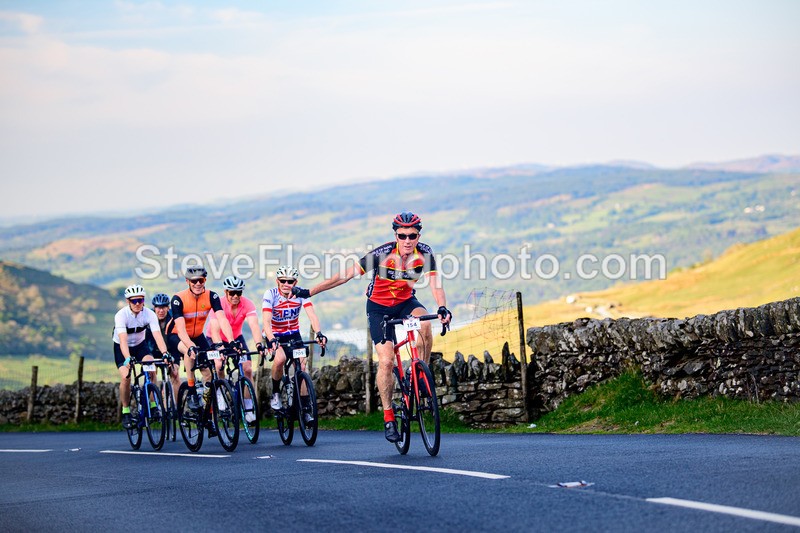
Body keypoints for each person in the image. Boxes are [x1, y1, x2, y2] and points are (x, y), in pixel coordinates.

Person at [293, 212, 451, 442]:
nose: (407, 240)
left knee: (426, 325)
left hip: (406, 302)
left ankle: (421, 376)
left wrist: (443, 307)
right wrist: (309, 292)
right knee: (386, 361)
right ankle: (388, 417)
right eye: (402, 235)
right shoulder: (382, 253)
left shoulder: (425, 254)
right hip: (379, 308)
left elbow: (436, 284)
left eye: (412, 235)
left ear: (419, 235)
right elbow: (344, 276)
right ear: (395, 235)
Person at [168, 265, 235, 418]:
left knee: (208, 373)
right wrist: (191, 346)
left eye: (201, 280)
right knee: (188, 351)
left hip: (198, 335)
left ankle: (207, 412)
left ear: (205, 280)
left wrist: (230, 341)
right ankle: (191, 391)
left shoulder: (212, 296)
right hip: (176, 335)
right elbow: (181, 329)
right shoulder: (178, 299)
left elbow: (222, 319)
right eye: (194, 281)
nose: (198, 284)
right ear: (188, 282)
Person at [261, 266, 327, 420]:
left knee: (302, 367)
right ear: (277, 281)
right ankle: (276, 393)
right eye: (282, 280)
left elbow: (312, 316)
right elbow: (266, 321)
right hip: (274, 334)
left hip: (293, 334)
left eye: (289, 281)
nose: (286, 284)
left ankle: (305, 410)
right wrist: (271, 340)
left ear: (295, 282)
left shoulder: (300, 294)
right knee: (280, 359)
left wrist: (319, 333)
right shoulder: (270, 294)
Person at [207, 275, 266, 423]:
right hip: (216, 338)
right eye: (232, 292)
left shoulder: (247, 304)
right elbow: (214, 330)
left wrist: (259, 344)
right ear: (226, 292)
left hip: (236, 338)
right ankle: (220, 393)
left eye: (238, 293)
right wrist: (219, 348)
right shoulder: (218, 303)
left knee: (247, 369)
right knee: (219, 365)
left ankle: (248, 405)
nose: (235, 296)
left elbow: (254, 325)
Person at [113, 284, 170, 429]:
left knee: (151, 368)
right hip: (122, 347)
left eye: (140, 300)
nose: (138, 303)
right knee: (126, 376)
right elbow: (123, 340)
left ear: (144, 300)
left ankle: (152, 404)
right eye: (134, 301)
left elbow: (157, 335)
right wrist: (127, 358)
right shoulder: (121, 315)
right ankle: (126, 411)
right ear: (128, 301)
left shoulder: (149, 314)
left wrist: (165, 353)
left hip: (140, 346)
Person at [145, 292, 182, 414]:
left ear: (168, 307)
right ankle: (154, 406)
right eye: (158, 307)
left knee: (175, 374)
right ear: (154, 308)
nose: (161, 310)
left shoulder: (173, 318)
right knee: (151, 374)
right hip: (153, 351)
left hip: (171, 350)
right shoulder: (148, 319)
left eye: (164, 307)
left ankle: (176, 408)